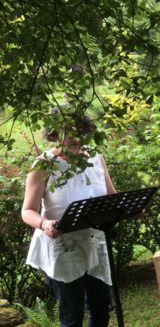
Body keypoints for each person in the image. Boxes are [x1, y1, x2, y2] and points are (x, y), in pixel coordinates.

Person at [22, 114, 116, 327]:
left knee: (101, 309)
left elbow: (111, 196)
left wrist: (131, 209)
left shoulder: (95, 156)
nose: (74, 136)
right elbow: (27, 211)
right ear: (54, 133)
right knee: (72, 316)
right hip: (62, 246)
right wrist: (45, 224)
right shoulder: (44, 164)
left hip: (95, 242)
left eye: (78, 129)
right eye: (67, 131)